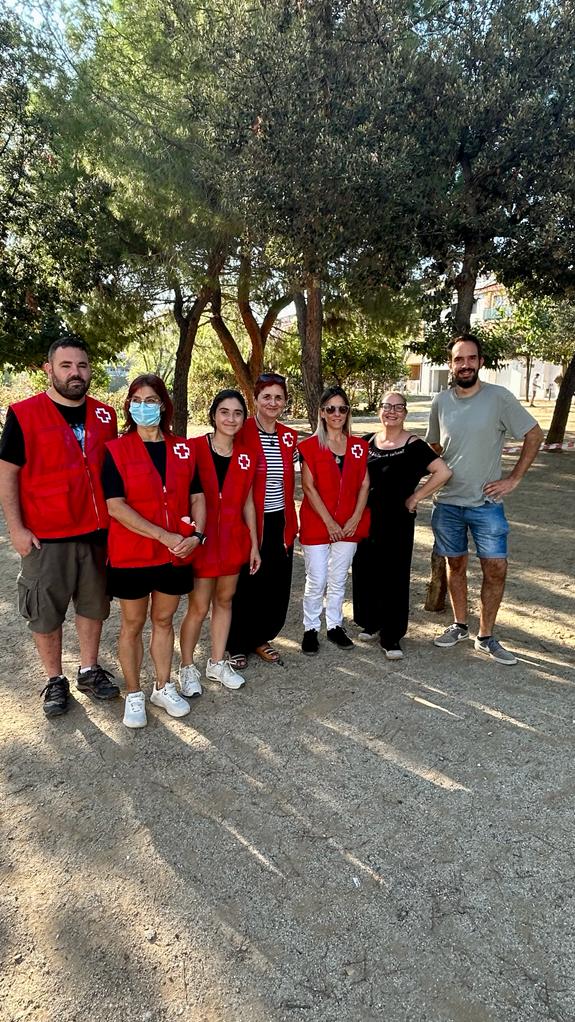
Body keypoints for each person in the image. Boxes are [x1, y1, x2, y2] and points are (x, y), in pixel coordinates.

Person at [0, 336, 120, 718]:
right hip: (46, 536)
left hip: (96, 532)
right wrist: (15, 528)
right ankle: (55, 678)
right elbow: (8, 474)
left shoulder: (106, 416)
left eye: (82, 366)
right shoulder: (23, 414)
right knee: (45, 611)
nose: (75, 373)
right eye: (66, 365)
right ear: (49, 369)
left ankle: (88, 669)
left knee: (93, 606)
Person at [426, 334, 543, 665]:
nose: (465, 365)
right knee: (455, 564)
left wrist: (513, 479)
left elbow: (534, 435)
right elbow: (434, 447)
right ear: (451, 364)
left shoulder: (499, 398)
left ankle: (487, 635)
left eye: (471, 358)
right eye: (459, 359)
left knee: (496, 568)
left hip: (486, 505)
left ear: (480, 362)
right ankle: (459, 625)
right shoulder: (440, 402)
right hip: (447, 503)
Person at [103, 374, 206, 729]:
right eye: (136, 399)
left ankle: (162, 686)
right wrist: (163, 535)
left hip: (174, 554)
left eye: (151, 400)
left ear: (163, 405)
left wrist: (198, 534)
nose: (143, 406)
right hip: (132, 554)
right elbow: (115, 506)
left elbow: (198, 497)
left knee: (163, 621)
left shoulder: (183, 448)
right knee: (132, 623)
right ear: (129, 405)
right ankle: (134, 692)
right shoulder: (116, 450)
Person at [352, 392, 451, 659]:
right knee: (365, 570)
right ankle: (371, 622)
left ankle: (391, 636)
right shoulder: (365, 442)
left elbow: (443, 472)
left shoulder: (414, 445)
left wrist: (416, 496)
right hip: (367, 518)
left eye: (398, 407)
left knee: (393, 575)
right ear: (380, 410)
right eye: (386, 406)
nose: (391, 411)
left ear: (405, 412)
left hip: (396, 520)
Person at [179, 390, 261, 691]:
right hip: (203, 542)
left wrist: (253, 543)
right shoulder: (193, 448)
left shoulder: (247, 455)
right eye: (224, 412)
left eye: (238, 413)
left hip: (233, 540)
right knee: (198, 608)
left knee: (224, 601)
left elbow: (248, 502)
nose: (231, 418)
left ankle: (216, 662)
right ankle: (186, 667)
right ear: (213, 415)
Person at [226, 372, 298, 668]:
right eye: (266, 396)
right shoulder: (240, 432)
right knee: (245, 584)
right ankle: (236, 642)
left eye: (278, 397)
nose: (272, 402)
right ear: (254, 399)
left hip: (280, 520)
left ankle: (260, 637)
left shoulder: (288, 435)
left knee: (273, 584)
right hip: (247, 522)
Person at [299, 386, 370, 655]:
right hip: (318, 523)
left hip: (350, 524)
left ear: (347, 412)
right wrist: (329, 522)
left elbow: (364, 485)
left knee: (338, 578)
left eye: (342, 408)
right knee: (317, 578)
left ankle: (335, 626)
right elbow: (308, 487)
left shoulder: (359, 447)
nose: (336, 413)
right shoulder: (308, 446)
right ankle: (310, 629)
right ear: (322, 413)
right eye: (331, 408)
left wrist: (354, 518)